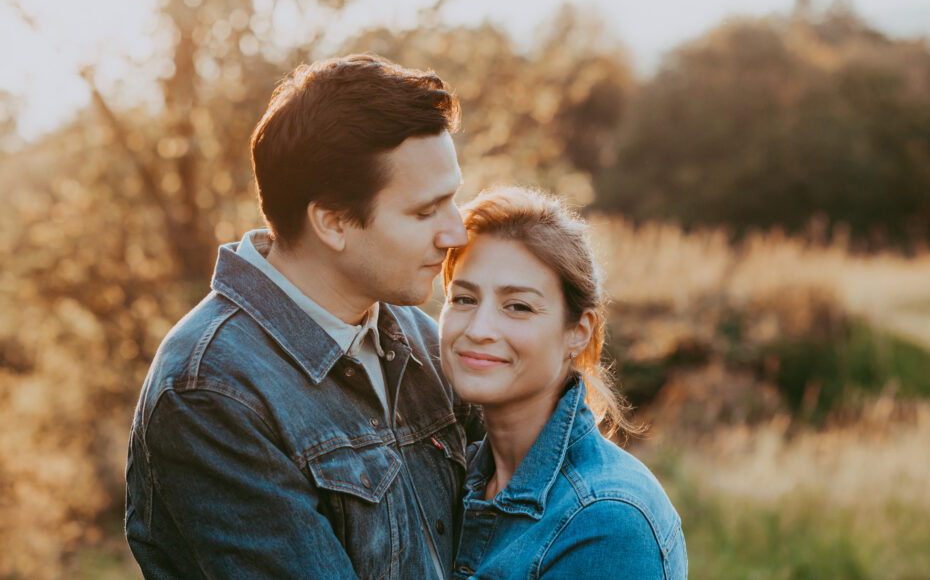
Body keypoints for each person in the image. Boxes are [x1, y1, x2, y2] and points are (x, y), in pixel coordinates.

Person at [125, 54, 483, 579]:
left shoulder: (418, 337)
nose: (456, 233)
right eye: (425, 212)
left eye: (452, 201)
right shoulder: (210, 392)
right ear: (333, 222)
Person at [439, 187, 687, 579]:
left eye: (517, 306)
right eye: (463, 299)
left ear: (578, 331)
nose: (478, 328)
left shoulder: (607, 521)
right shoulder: (450, 474)